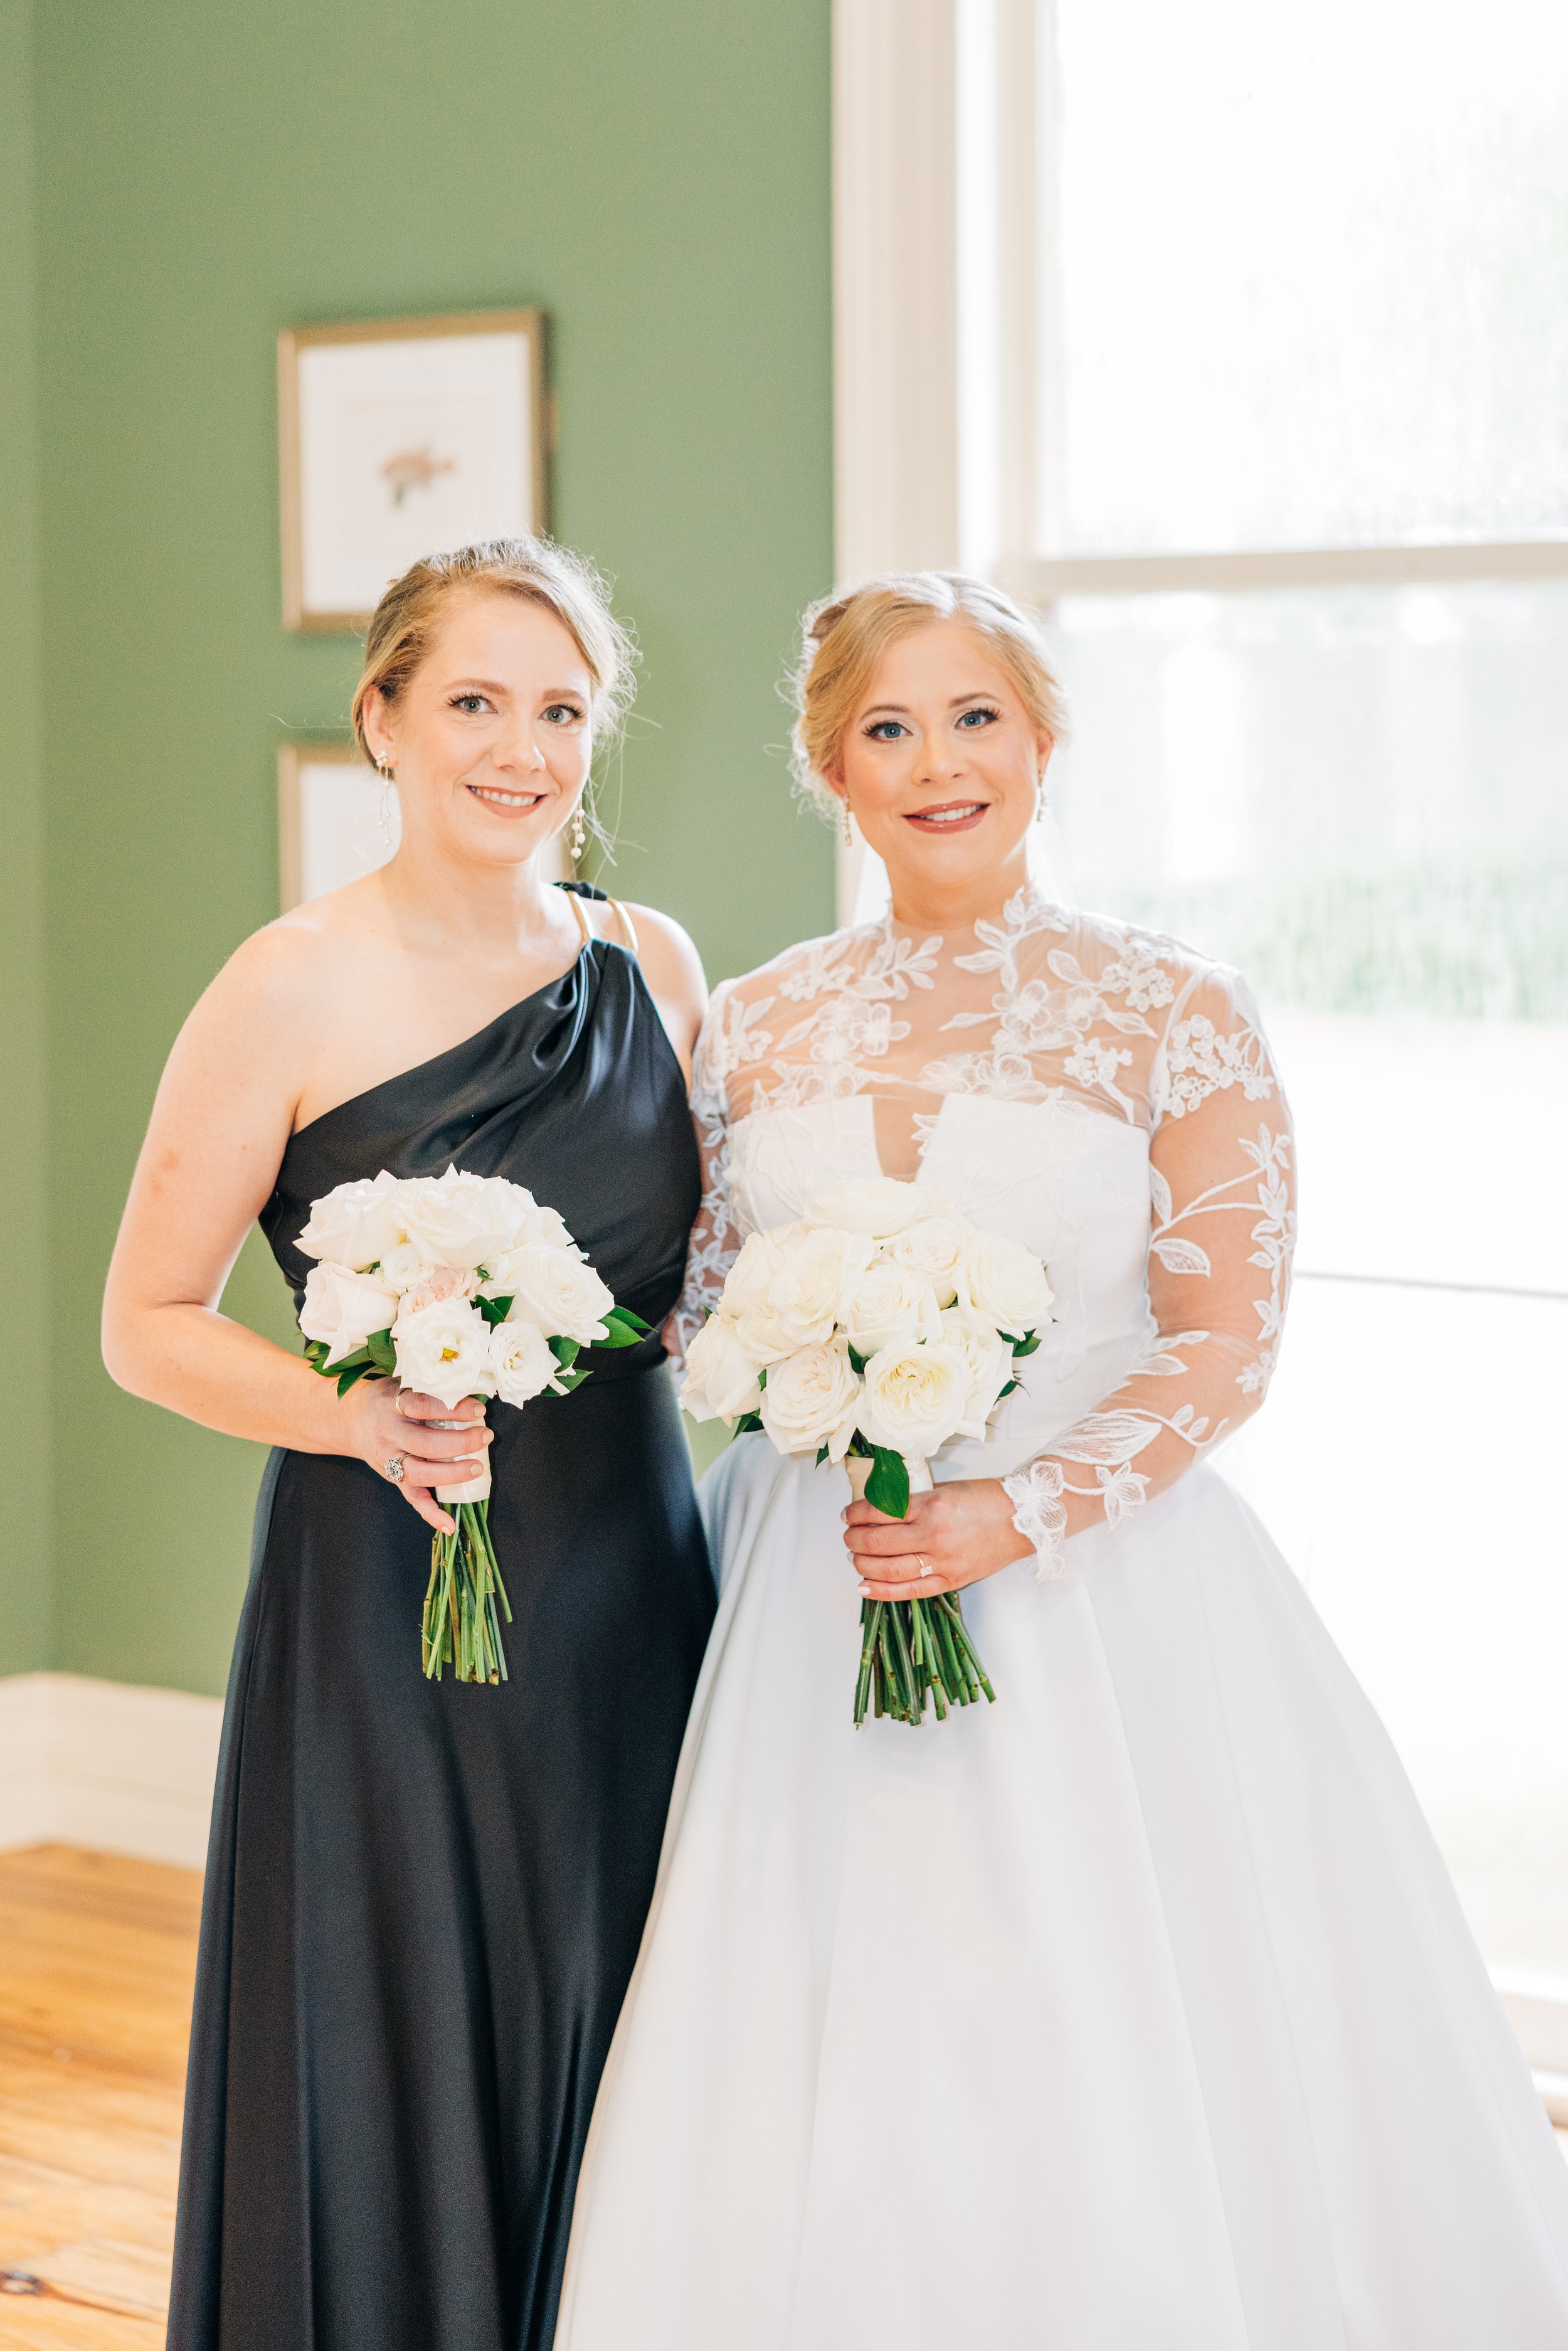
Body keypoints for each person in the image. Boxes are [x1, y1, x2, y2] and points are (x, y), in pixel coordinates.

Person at [554, 571, 1568, 2349]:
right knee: (821, 1996)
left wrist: (1011, 1515)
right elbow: (702, 1307)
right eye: (888, 728)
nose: (936, 762)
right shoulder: (763, 1017)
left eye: (974, 719)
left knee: (1102, 2011)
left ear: (1038, 744)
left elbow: (1222, 1341)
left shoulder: (1170, 1005)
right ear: (830, 768)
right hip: (820, 1576)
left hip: (1103, 1598)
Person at [102, 538, 716, 2351]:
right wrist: (351, 1416)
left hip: (629, 1574)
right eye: (473, 702)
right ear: (381, 719)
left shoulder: (654, 963)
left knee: (629, 1987)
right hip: (394, 1581)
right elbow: (142, 1325)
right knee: (403, 2015)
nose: (519, 749)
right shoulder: (285, 984)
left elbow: (707, 1274)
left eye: (559, 710)